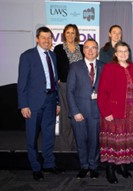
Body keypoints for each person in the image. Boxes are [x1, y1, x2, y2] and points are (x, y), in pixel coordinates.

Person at [17, 26, 62, 180]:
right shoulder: (27, 56)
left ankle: (49, 164)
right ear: (37, 39)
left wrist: (57, 102)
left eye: (49, 38)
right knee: (32, 137)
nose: (47, 40)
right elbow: (22, 82)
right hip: (33, 103)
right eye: (43, 38)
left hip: (50, 101)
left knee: (49, 135)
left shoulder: (53, 55)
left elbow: (54, 81)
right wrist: (23, 105)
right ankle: (36, 167)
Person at [97, 41, 133, 183]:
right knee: (113, 143)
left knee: (125, 143)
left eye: (126, 51)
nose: (123, 54)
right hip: (114, 112)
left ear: (128, 53)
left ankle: (122, 167)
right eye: (120, 51)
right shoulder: (109, 68)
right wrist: (106, 112)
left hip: (131, 113)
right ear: (115, 54)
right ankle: (110, 169)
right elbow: (102, 92)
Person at [66, 39, 104, 179]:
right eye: (87, 47)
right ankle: (84, 166)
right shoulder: (75, 67)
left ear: (97, 50)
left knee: (95, 141)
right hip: (79, 112)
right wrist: (75, 111)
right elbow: (69, 91)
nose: (90, 50)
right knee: (81, 140)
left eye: (93, 47)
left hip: (96, 112)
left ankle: (93, 166)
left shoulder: (103, 66)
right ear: (83, 50)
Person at [54, 24, 84, 151]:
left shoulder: (82, 48)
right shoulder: (59, 48)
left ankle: (79, 146)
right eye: (68, 32)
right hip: (65, 86)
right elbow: (55, 66)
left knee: (79, 117)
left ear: (76, 34)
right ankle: (65, 149)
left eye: (73, 33)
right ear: (64, 34)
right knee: (66, 118)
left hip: (80, 87)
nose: (70, 35)